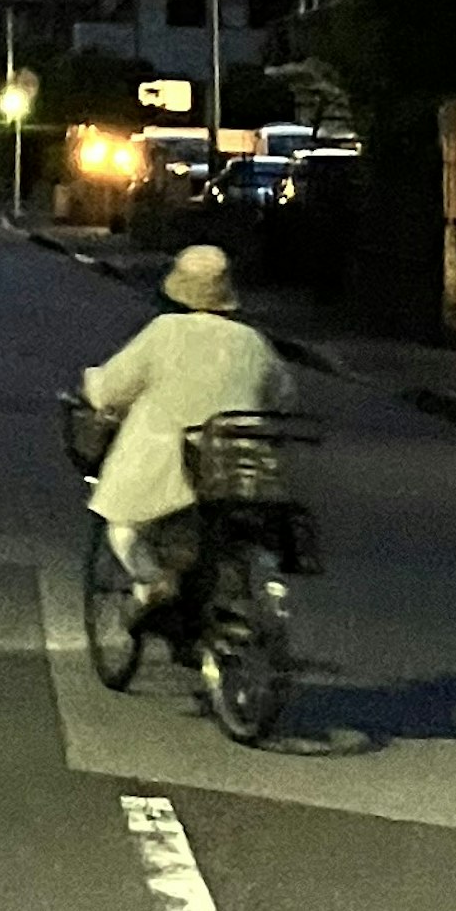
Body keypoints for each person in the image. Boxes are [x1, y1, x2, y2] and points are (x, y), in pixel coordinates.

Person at [80, 241, 295, 641]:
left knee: (122, 524)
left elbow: (112, 386)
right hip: (242, 466)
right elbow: (283, 396)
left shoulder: (166, 331)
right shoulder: (252, 341)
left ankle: (152, 582)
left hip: (171, 464)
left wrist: (93, 387)